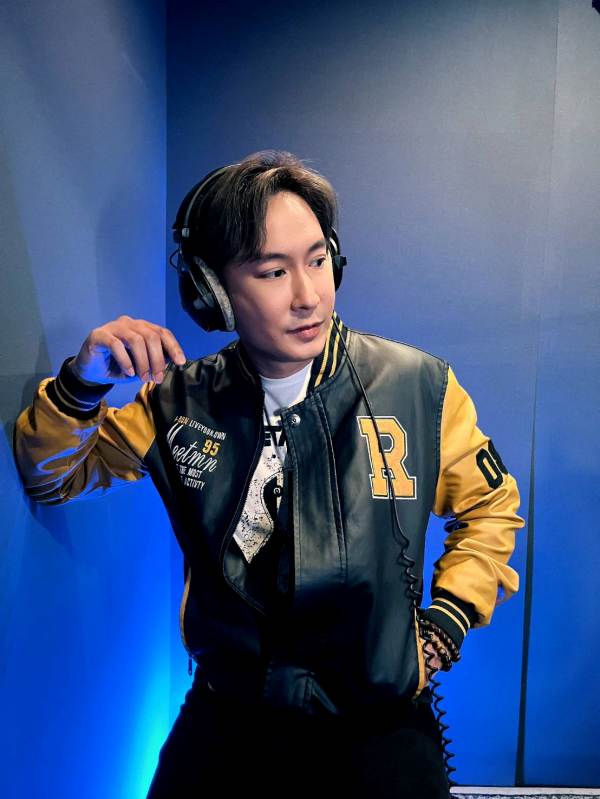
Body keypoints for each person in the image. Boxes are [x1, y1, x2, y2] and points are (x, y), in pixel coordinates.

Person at [13, 150, 524, 798]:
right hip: (229, 718)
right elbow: (52, 477)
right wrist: (82, 384)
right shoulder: (176, 402)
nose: (309, 295)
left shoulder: (420, 386)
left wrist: (447, 621)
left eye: (318, 260)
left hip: (379, 723)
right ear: (212, 292)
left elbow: (490, 507)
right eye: (274, 271)